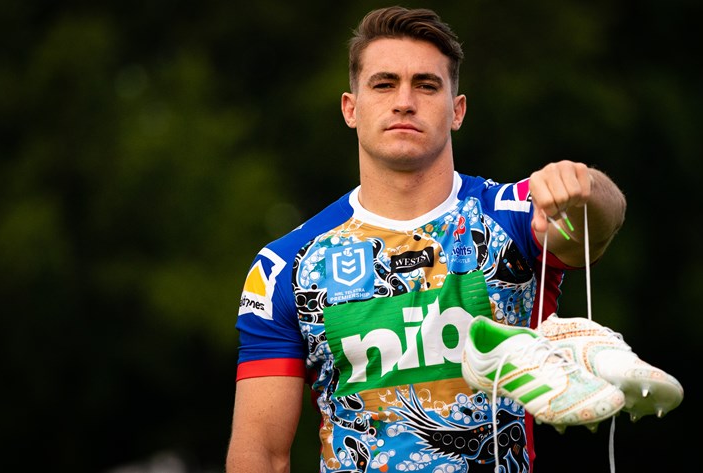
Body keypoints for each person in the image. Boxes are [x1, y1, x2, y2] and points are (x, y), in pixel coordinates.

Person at [226, 6, 627, 472]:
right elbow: (260, 452)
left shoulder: (514, 215)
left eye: (426, 85)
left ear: (457, 111)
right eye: (384, 84)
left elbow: (601, 223)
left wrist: (583, 187)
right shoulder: (285, 266)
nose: (404, 101)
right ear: (351, 109)